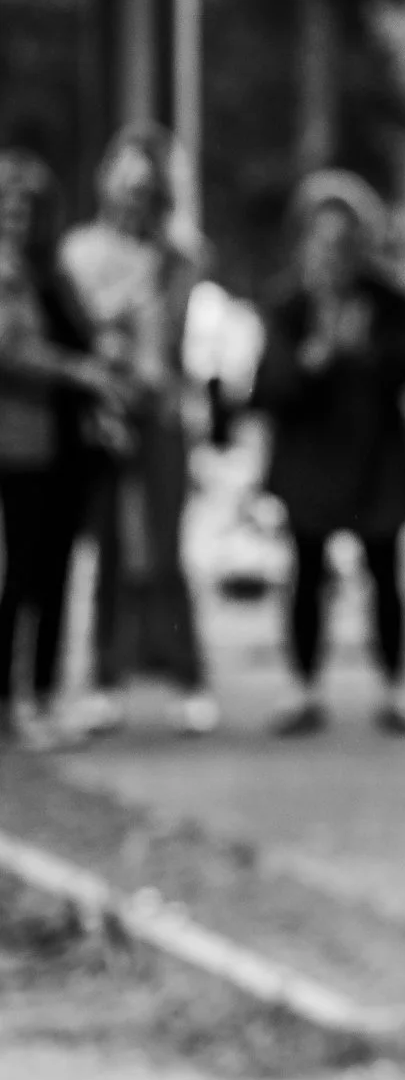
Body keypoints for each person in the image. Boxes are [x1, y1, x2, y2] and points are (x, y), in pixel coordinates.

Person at [251, 171, 405, 736]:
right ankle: (303, 688)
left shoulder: (391, 301)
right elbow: (268, 391)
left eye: (346, 239)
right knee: (306, 572)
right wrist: (315, 358)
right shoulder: (287, 306)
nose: (334, 251)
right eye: (322, 238)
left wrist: (368, 351)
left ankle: (396, 687)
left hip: (376, 458)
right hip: (310, 460)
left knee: (385, 570)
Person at [58, 123, 217, 737]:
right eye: (124, 186)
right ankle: (105, 678)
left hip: (159, 415)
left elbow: (175, 337)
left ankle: (187, 675)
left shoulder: (179, 256)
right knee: (109, 552)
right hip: (99, 414)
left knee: (166, 547)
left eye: (145, 190)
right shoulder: (76, 252)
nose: (132, 200)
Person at [0, 148, 121, 750]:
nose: (17, 217)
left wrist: (107, 356)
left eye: (29, 207)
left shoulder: (52, 270)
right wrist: (81, 372)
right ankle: (12, 701)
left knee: (52, 573)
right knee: (18, 574)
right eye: (7, 205)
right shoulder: (5, 274)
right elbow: (10, 348)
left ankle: (42, 696)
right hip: (19, 442)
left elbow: (92, 331)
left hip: (63, 446)